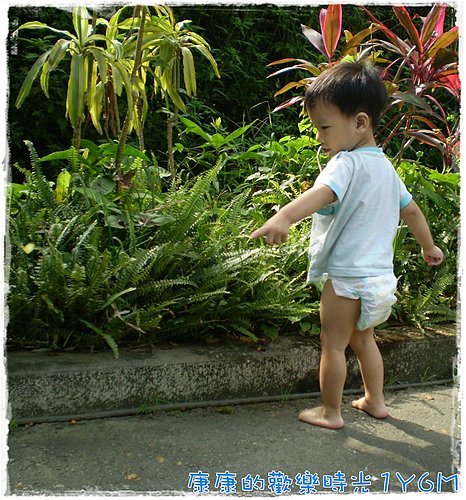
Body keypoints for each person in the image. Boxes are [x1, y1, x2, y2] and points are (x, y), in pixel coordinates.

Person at [251, 61, 444, 429]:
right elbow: (412, 211)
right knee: (365, 340)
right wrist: (428, 247)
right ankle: (375, 401)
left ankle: (331, 412)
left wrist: (285, 216)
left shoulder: (345, 163)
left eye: (324, 127)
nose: (319, 137)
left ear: (360, 122)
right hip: (379, 279)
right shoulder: (386, 168)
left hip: (346, 278)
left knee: (334, 344)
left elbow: (321, 194)